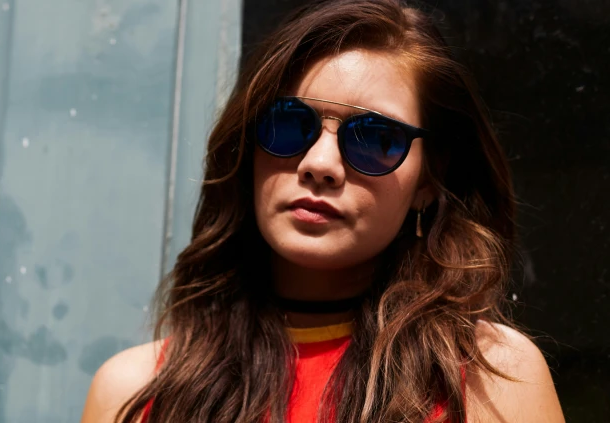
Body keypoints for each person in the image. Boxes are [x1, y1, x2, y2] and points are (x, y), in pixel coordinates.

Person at [80, 0, 565, 421]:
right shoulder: (134, 392)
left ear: (428, 182)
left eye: (375, 138)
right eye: (289, 124)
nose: (319, 164)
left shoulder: (489, 380)